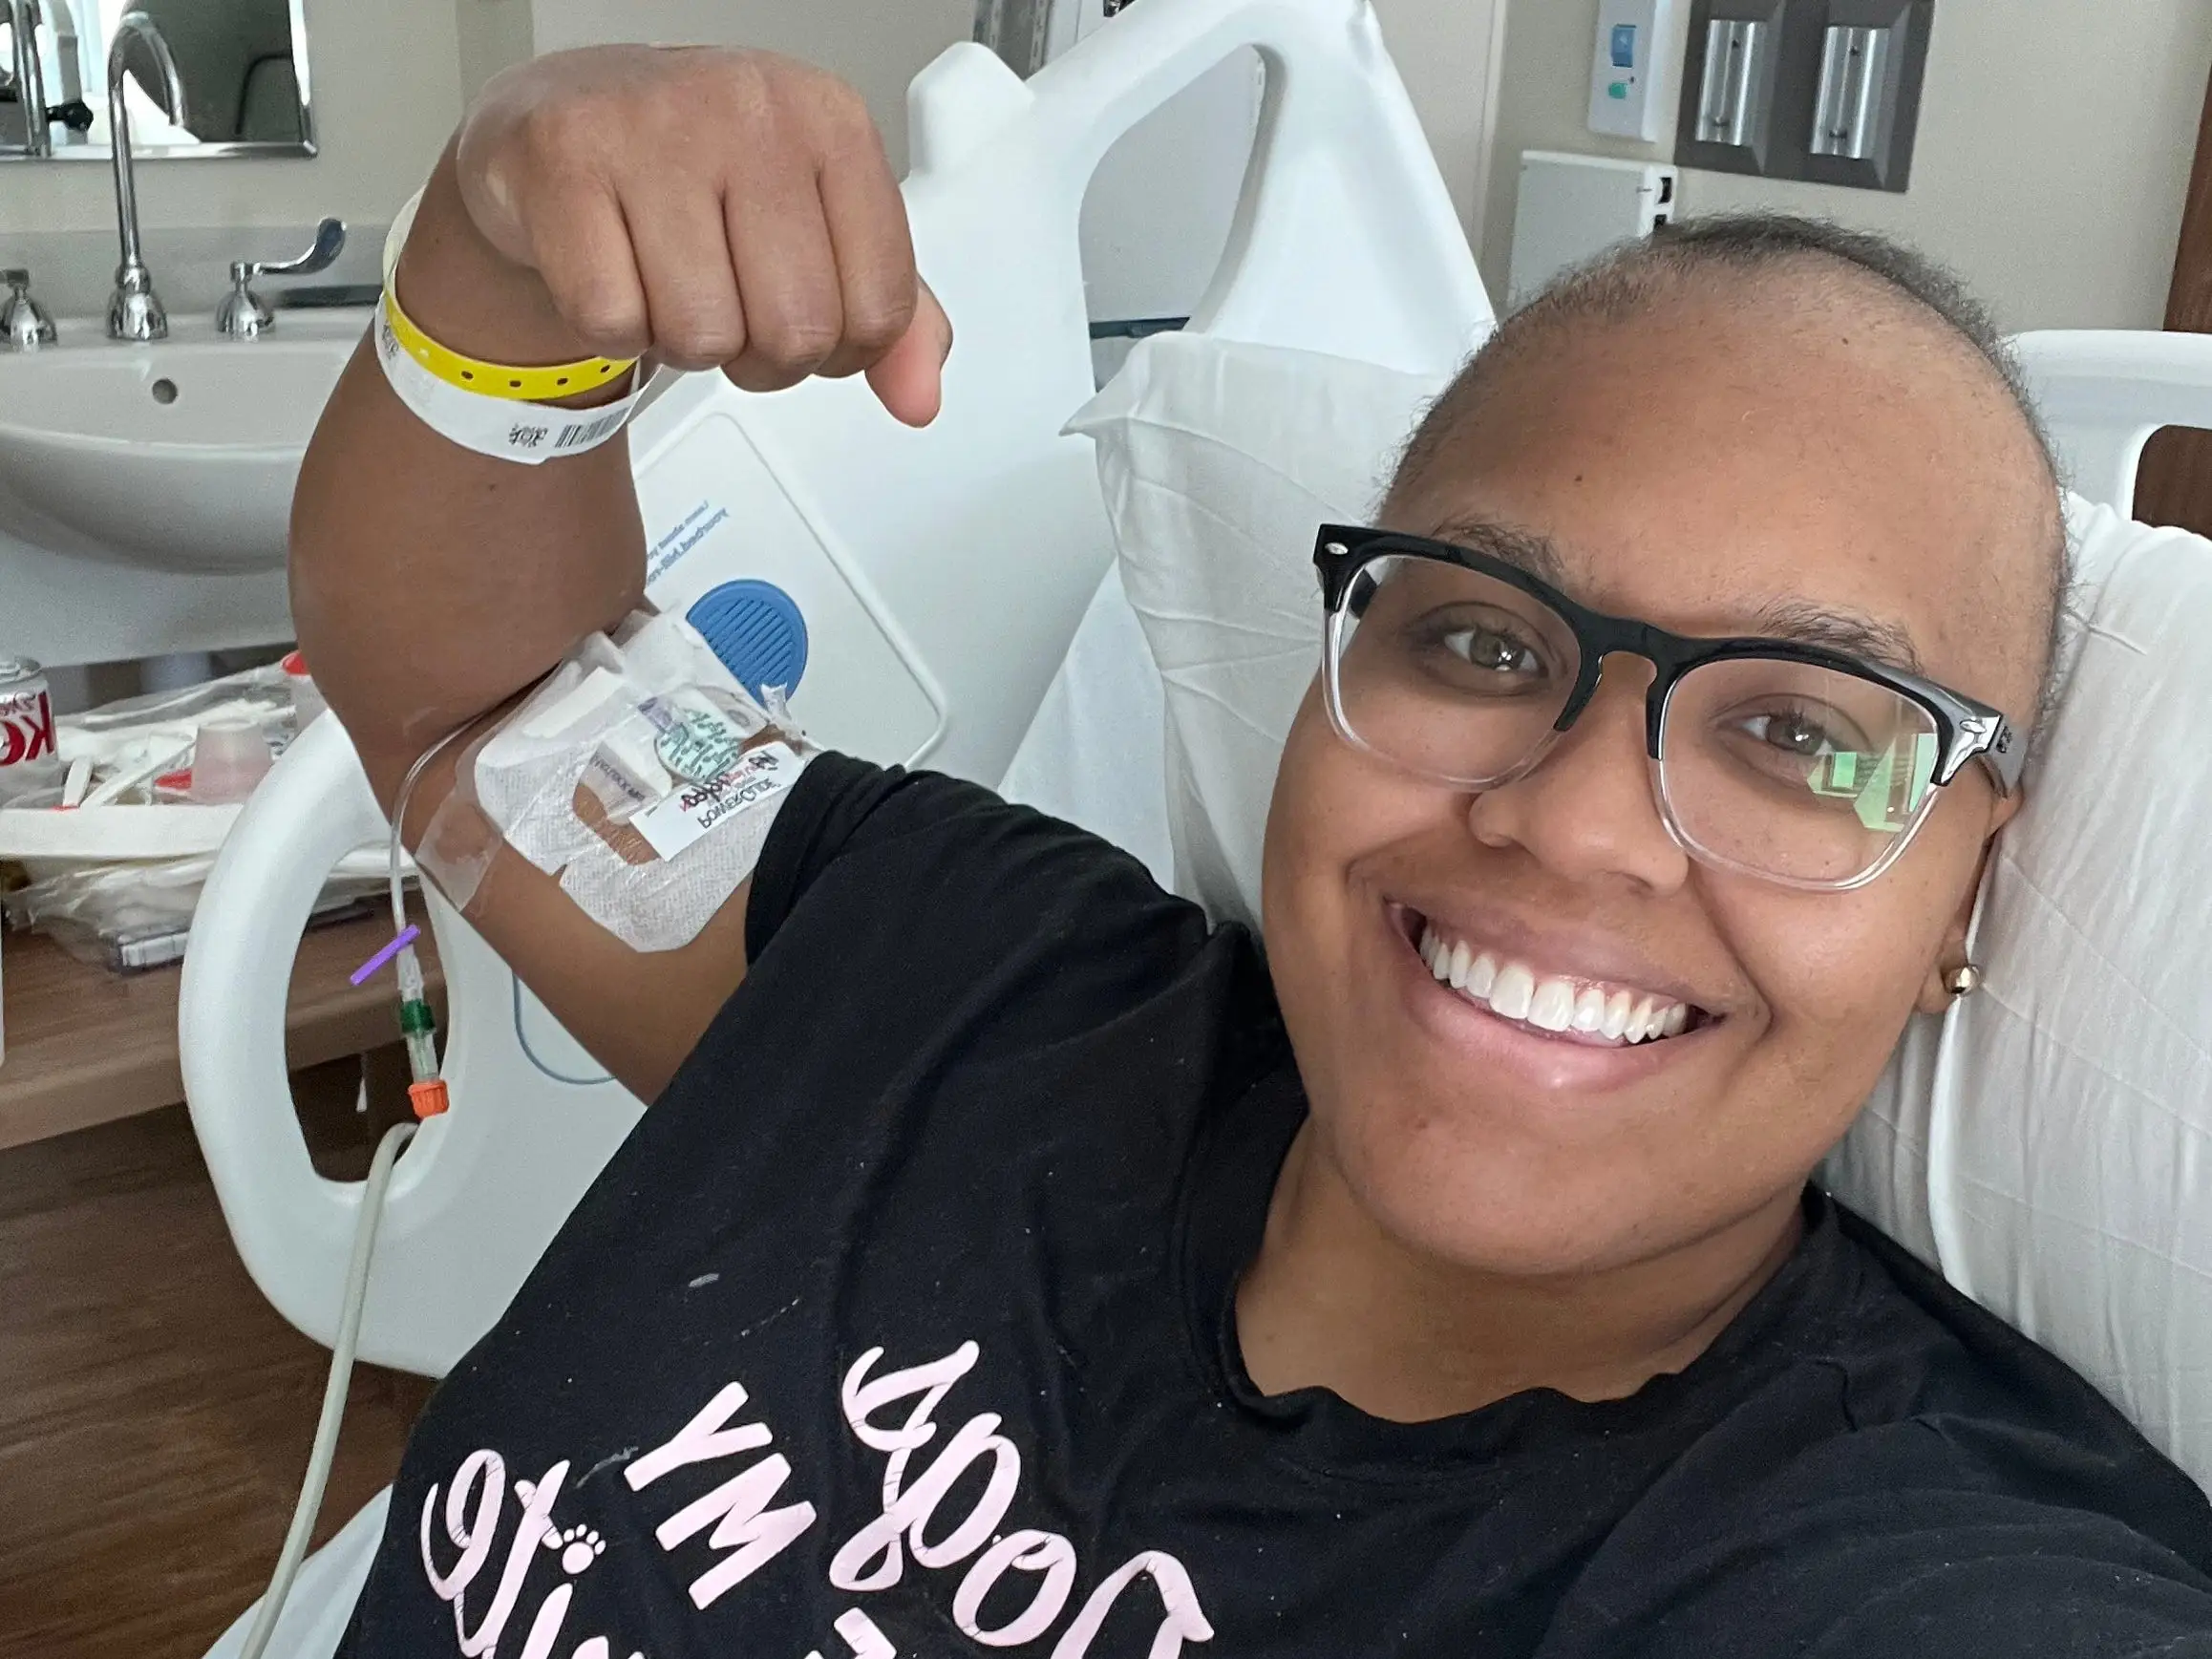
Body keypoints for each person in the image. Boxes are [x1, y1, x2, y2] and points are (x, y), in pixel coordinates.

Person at [293, 44, 2212, 1659]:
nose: (1570, 818)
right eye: (1477, 635)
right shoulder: (952, 975)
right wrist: (495, 281)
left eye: (1799, 731)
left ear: (1968, 881)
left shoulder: (1916, 1580)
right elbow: (503, 715)